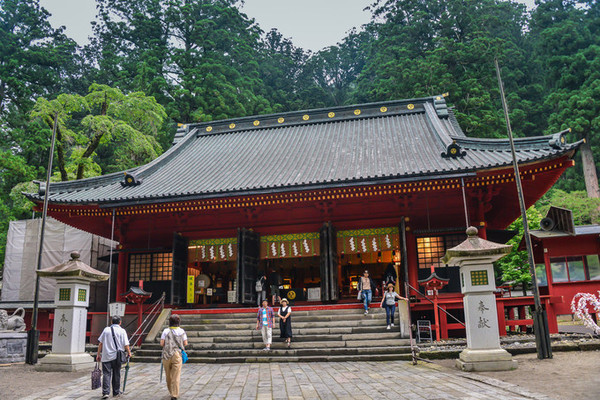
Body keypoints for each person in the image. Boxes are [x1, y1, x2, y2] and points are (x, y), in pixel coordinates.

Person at [96, 316, 132, 399]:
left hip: (106, 355)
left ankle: (106, 392)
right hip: (117, 356)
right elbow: (126, 344)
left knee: (106, 374)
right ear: (120, 322)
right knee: (116, 373)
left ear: (111, 322)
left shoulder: (106, 330)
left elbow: (100, 343)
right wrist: (129, 353)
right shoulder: (122, 331)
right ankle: (116, 392)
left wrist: (98, 354)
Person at [161, 314, 188, 400]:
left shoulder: (165, 331)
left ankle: (170, 391)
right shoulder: (181, 331)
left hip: (166, 355)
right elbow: (185, 343)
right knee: (176, 375)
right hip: (177, 354)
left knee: (168, 375)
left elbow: (162, 343)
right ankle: (174, 394)